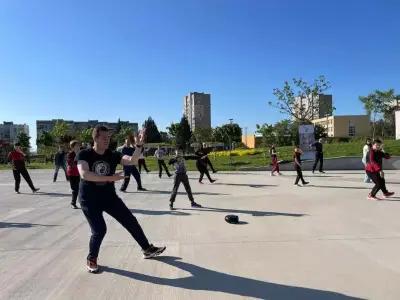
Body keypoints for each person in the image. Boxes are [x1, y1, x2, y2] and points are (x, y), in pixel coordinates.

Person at [77, 125, 165, 273]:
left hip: (109, 197)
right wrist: (112, 178)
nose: (107, 140)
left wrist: (138, 146)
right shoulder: (85, 154)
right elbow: (85, 174)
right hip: (89, 199)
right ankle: (92, 258)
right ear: (95, 138)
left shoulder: (112, 154)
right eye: (104, 138)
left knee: (130, 220)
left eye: (108, 138)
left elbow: (132, 160)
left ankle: (147, 249)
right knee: (99, 230)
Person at [67, 140, 80, 209]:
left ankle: (80, 201)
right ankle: (73, 203)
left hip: (78, 173)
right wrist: (77, 160)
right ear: (72, 147)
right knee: (75, 189)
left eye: (79, 145)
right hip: (71, 173)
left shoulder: (80, 153)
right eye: (76, 146)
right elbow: (70, 163)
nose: (78, 147)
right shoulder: (70, 154)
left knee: (79, 188)